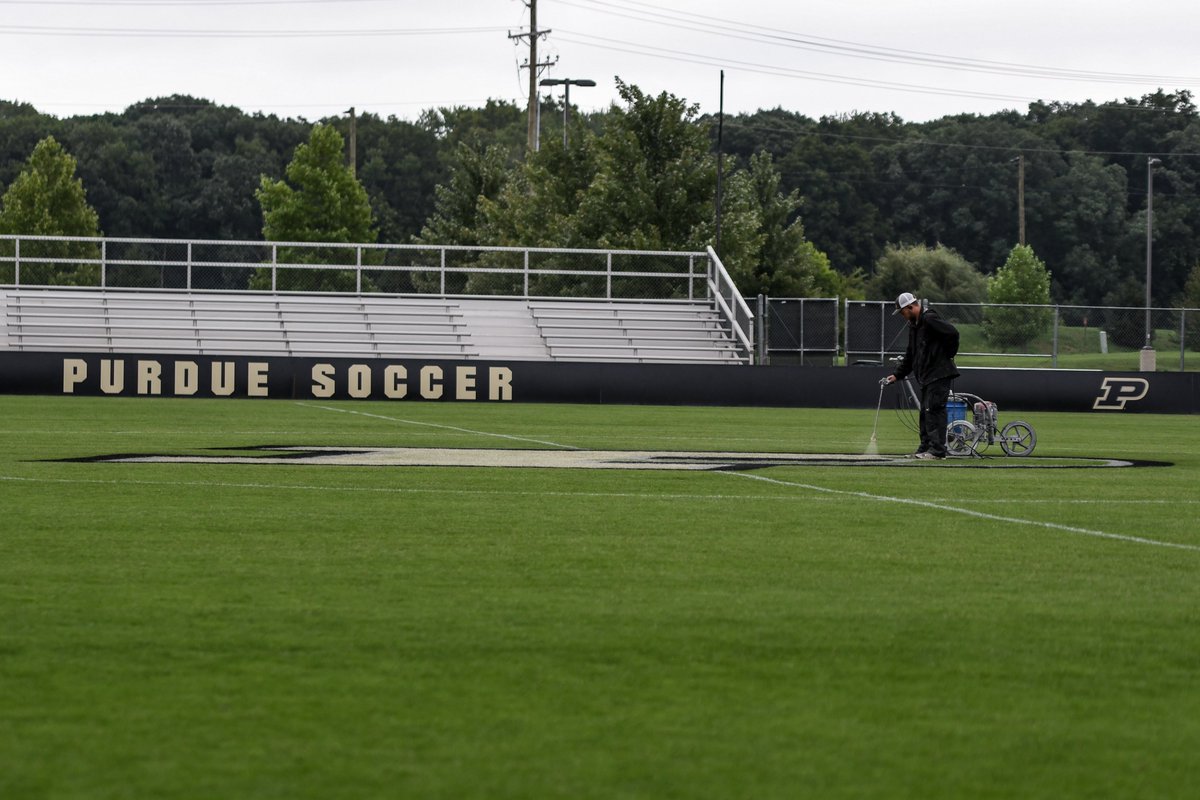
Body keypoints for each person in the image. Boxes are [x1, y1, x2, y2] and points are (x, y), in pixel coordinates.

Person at [883, 292, 960, 459]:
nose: (903, 316)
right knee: (925, 413)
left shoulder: (930, 319)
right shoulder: (914, 325)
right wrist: (897, 375)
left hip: (939, 374)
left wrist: (948, 353)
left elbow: (953, 333)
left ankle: (938, 451)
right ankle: (925, 448)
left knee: (934, 410)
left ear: (910, 307)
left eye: (903, 312)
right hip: (926, 376)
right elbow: (910, 354)